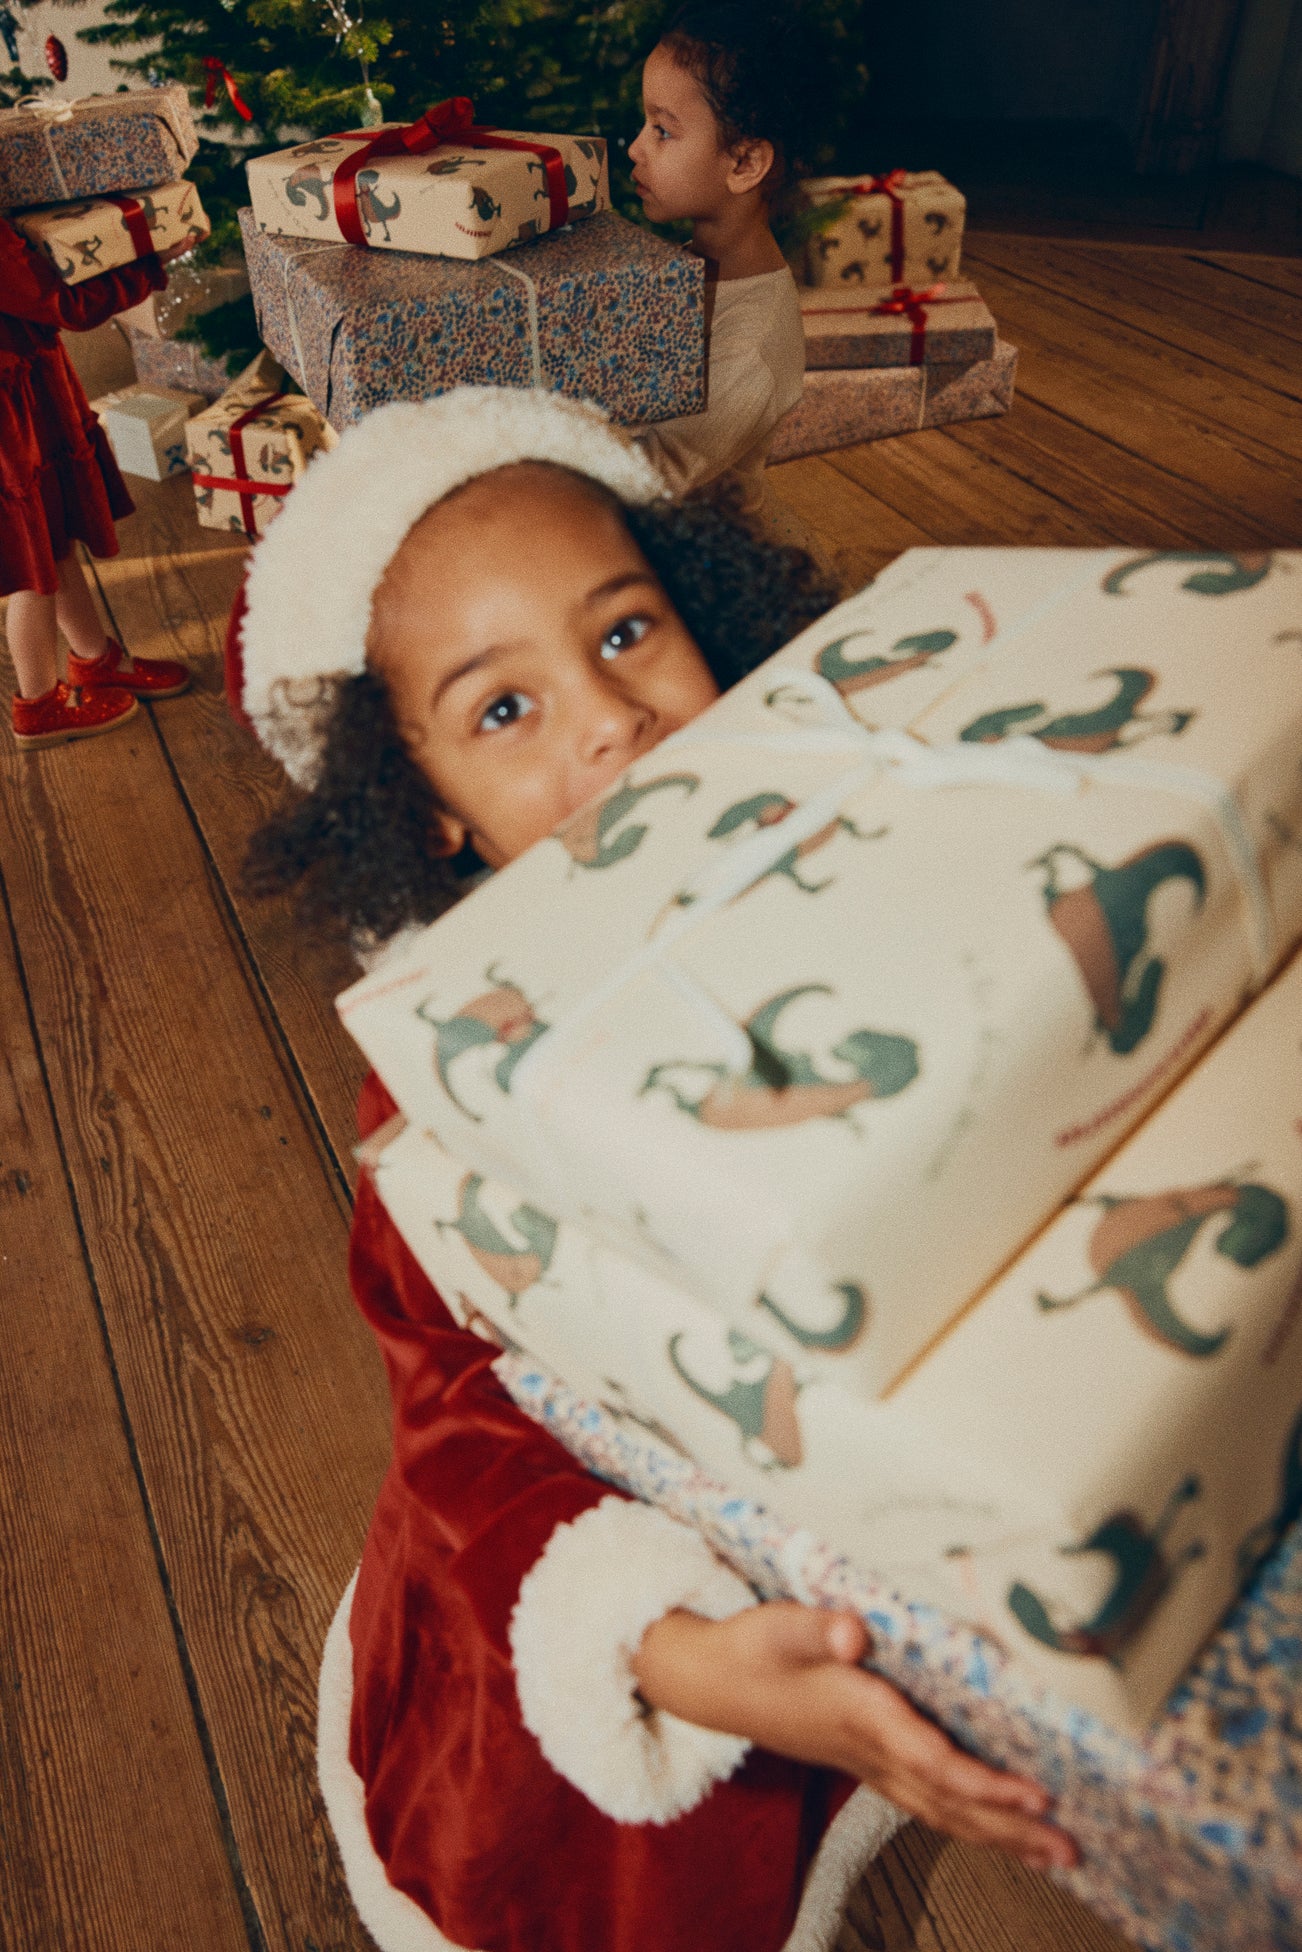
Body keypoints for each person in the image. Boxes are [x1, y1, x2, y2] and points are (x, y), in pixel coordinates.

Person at [239, 387, 1077, 1952]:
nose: (606, 719)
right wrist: (675, 1658)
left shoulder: (850, 873)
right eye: (504, 710)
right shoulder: (444, 1096)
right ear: (421, 811)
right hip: (609, 1582)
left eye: (624, 634)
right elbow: (464, 1434)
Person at [0, 214, 194, 748]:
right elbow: (66, 305)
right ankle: (37, 705)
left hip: (24, 392)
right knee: (32, 564)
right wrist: (150, 263)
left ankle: (94, 659)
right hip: (10, 412)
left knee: (53, 537)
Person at [628, 2, 807, 516]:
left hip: (710, 555)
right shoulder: (682, 266)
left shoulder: (750, 349)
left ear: (745, 162)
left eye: (662, 130)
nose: (636, 148)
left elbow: (651, 480)